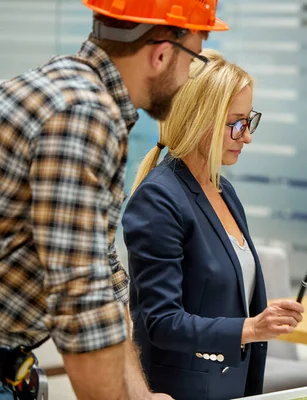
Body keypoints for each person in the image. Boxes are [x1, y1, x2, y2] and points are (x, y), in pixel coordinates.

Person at [0, 1, 228, 399]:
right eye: (194, 59)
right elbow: (81, 301)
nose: (190, 78)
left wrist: (141, 395)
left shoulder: (66, 87)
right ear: (161, 54)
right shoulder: (83, 114)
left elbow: (103, 278)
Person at [121, 51, 305, 400]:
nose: (246, 136)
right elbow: (162, 322)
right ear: (200, 118)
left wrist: (262, 315)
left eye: (249, 121)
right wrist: (250, 328)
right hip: (181, 389)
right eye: (236, 123)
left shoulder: (222, 190)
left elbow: (219, 292)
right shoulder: (158, 198)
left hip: (231, 382)